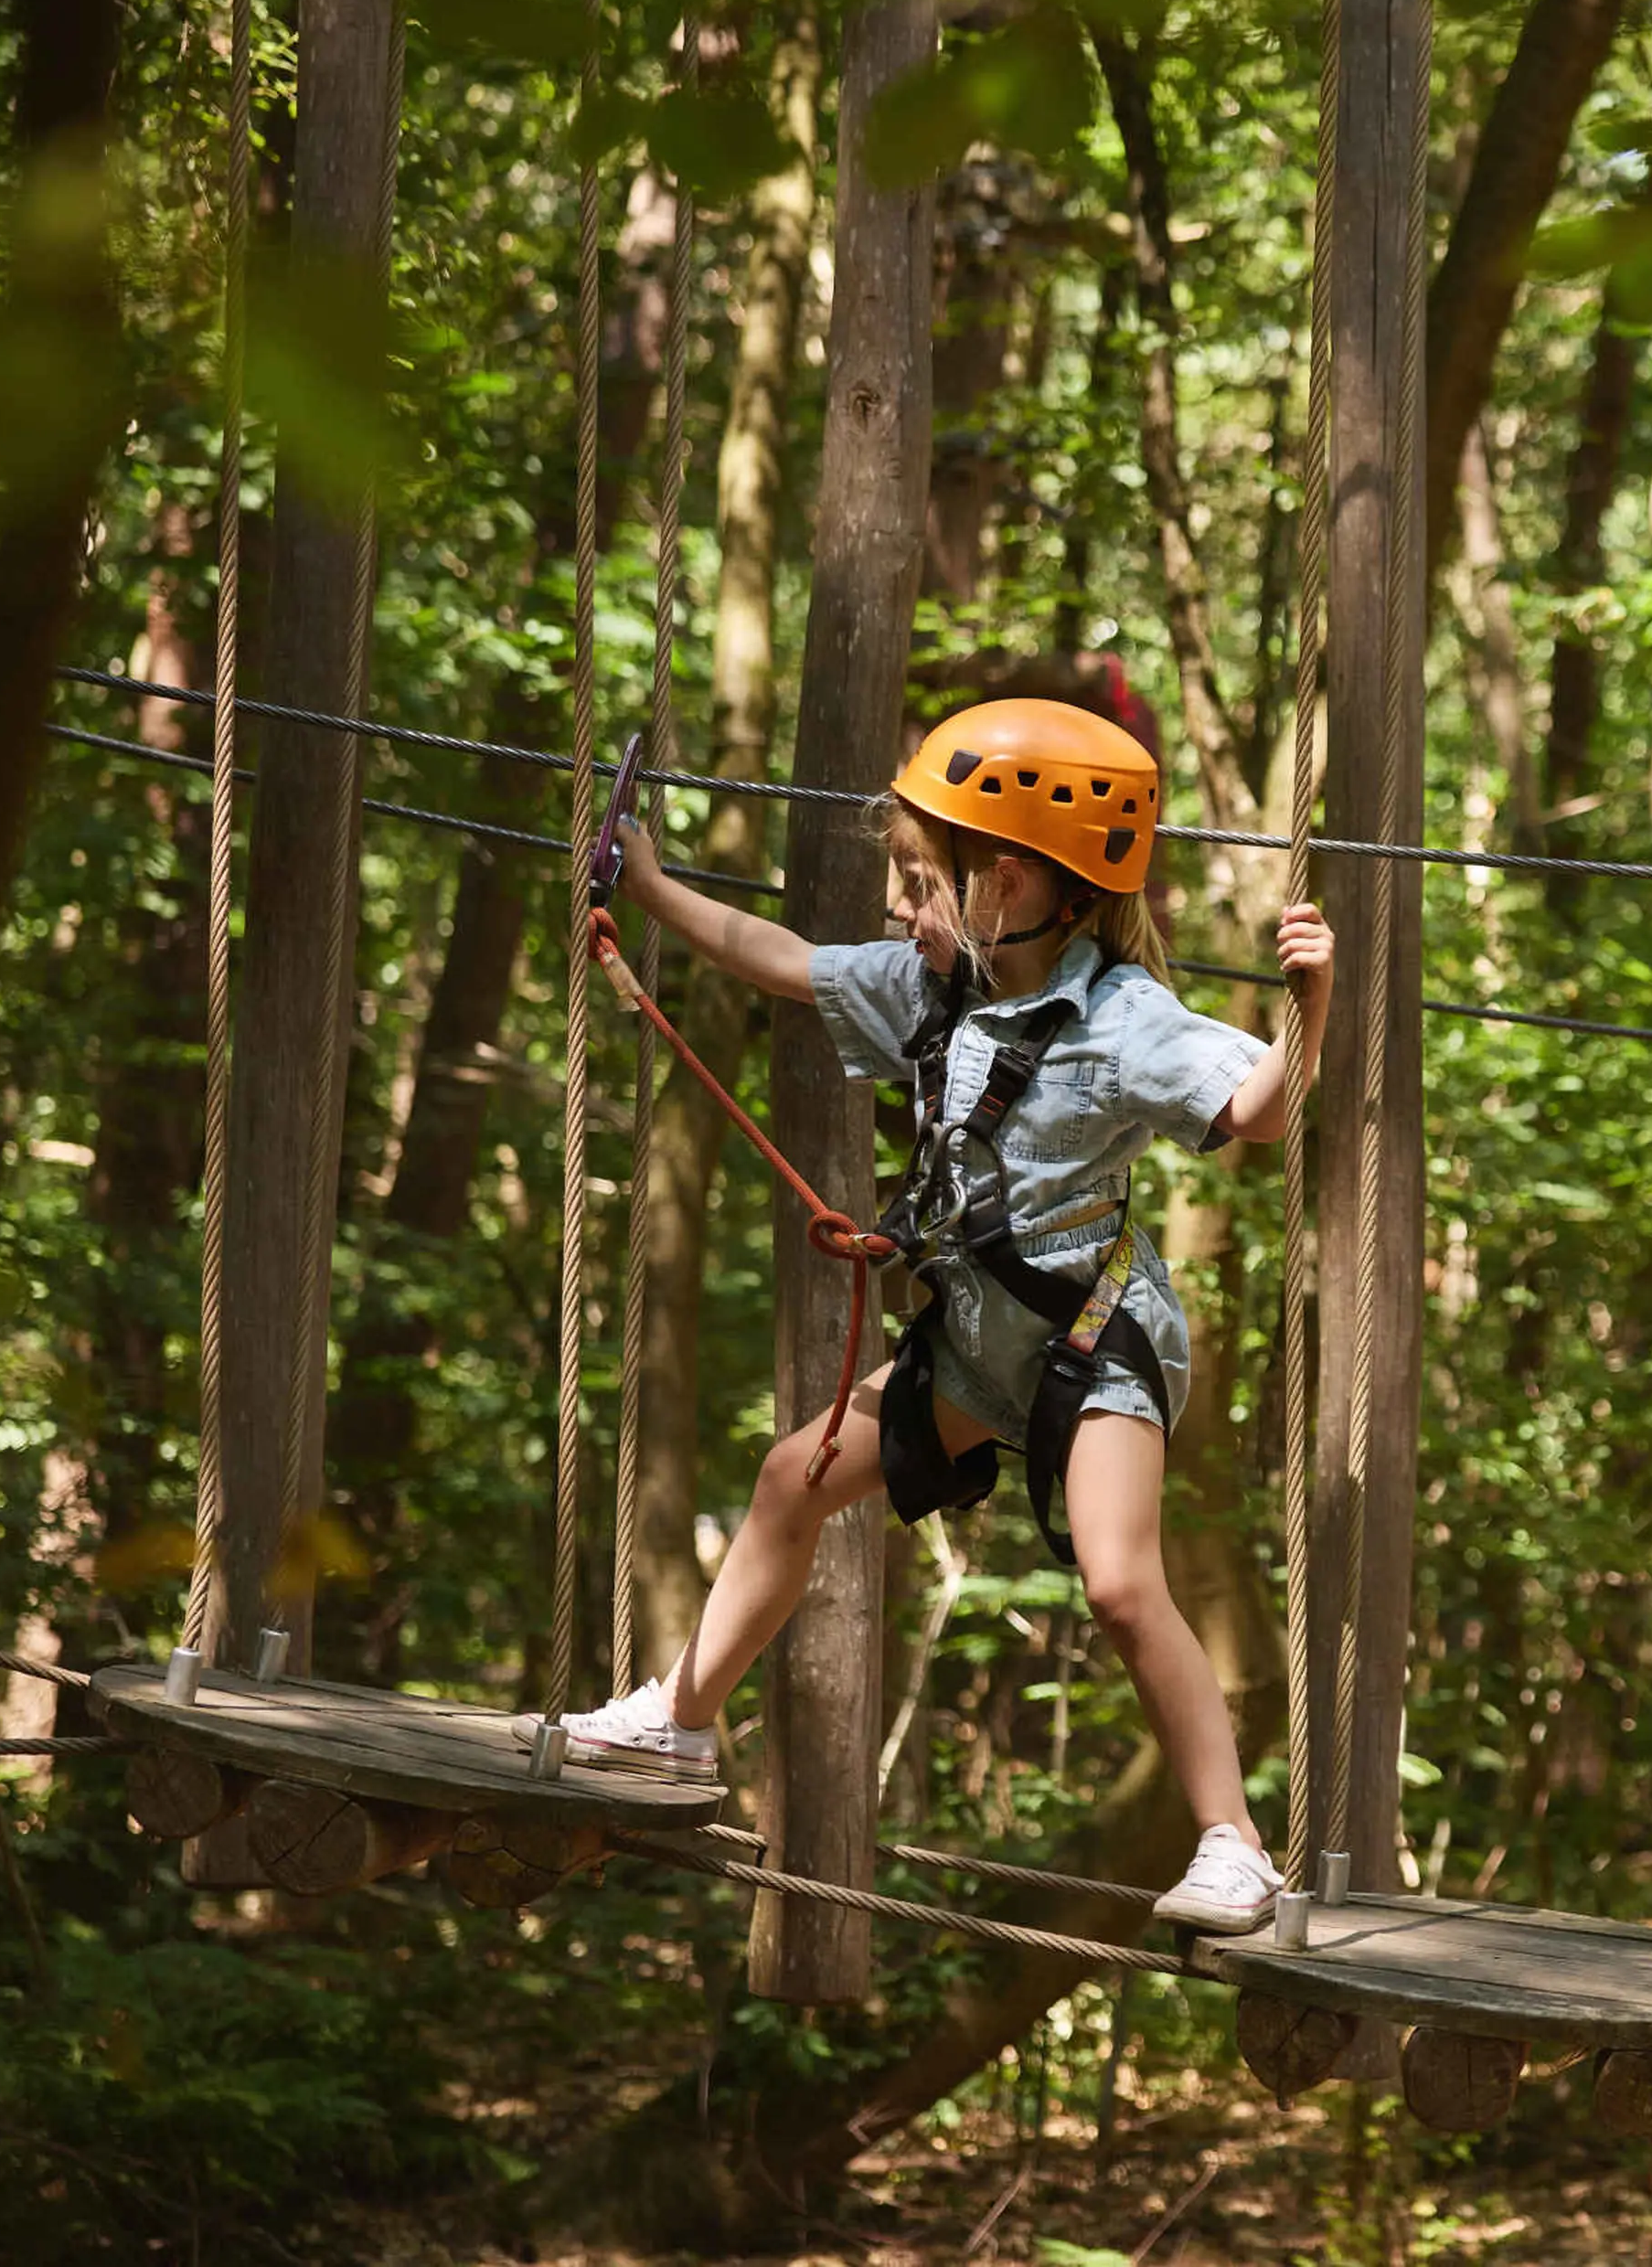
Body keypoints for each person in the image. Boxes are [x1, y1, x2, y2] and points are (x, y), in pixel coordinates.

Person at [560, 697, 1330, 1934]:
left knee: (1121, 1584)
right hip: (978, 1345)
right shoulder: (935, 990)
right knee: (791, 1478)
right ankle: (680, 1725)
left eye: (919, 884)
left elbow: (1260, 1110)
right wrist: (649, 890)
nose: (899, 909)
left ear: (1005, 884)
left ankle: (1233, 1844)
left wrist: (1310, 1008)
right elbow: (776, 956)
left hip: (1094, 1343)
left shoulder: (1121, 1016)